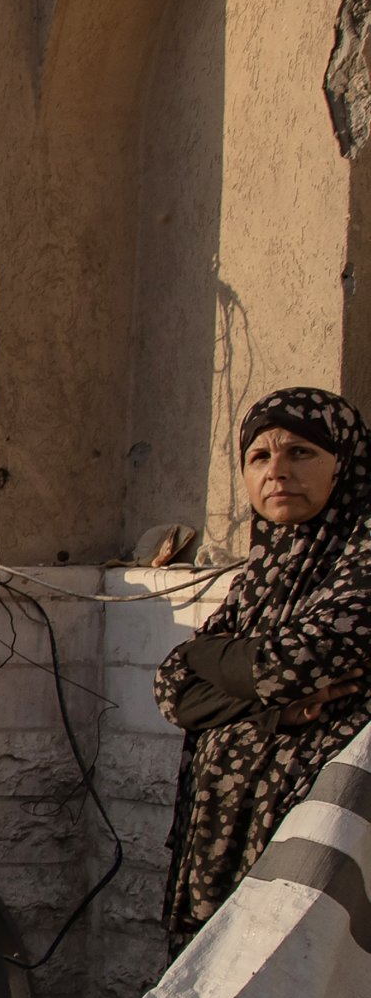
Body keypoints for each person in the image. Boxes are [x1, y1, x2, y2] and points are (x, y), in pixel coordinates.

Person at [159, 388, 371, 950]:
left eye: (300, 453)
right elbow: (173, 689)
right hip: (224, 847)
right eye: (259, 457)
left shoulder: (364, 556)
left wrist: (205, 655)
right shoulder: (264, 571)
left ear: (344, 463)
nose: (277, 471)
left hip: (318, 853)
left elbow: (281, 664)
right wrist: (270, 700)